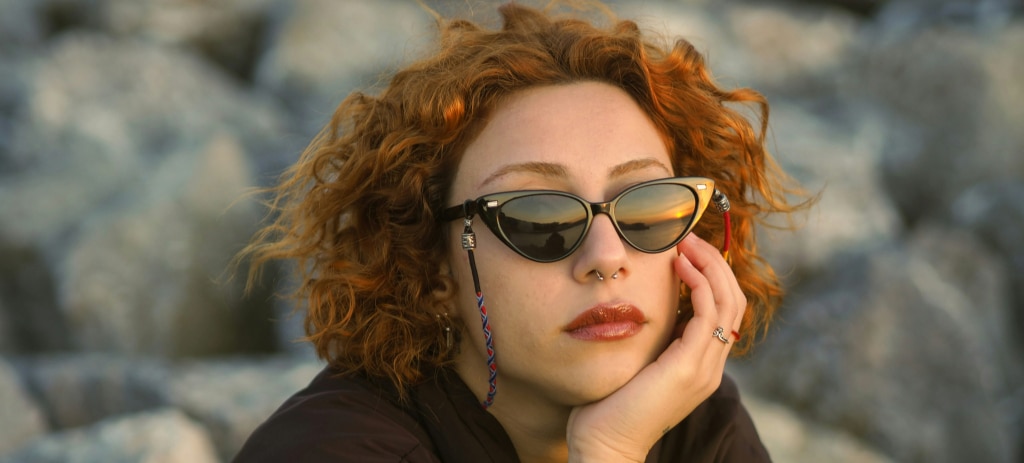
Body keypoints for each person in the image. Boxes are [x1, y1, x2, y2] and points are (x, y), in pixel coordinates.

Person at [234, 1, 804, 462]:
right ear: (433, 268)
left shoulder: (692, 420)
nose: (607, 258)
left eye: (646, 210)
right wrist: (610, 452)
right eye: (539, 220)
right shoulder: (331, 450)